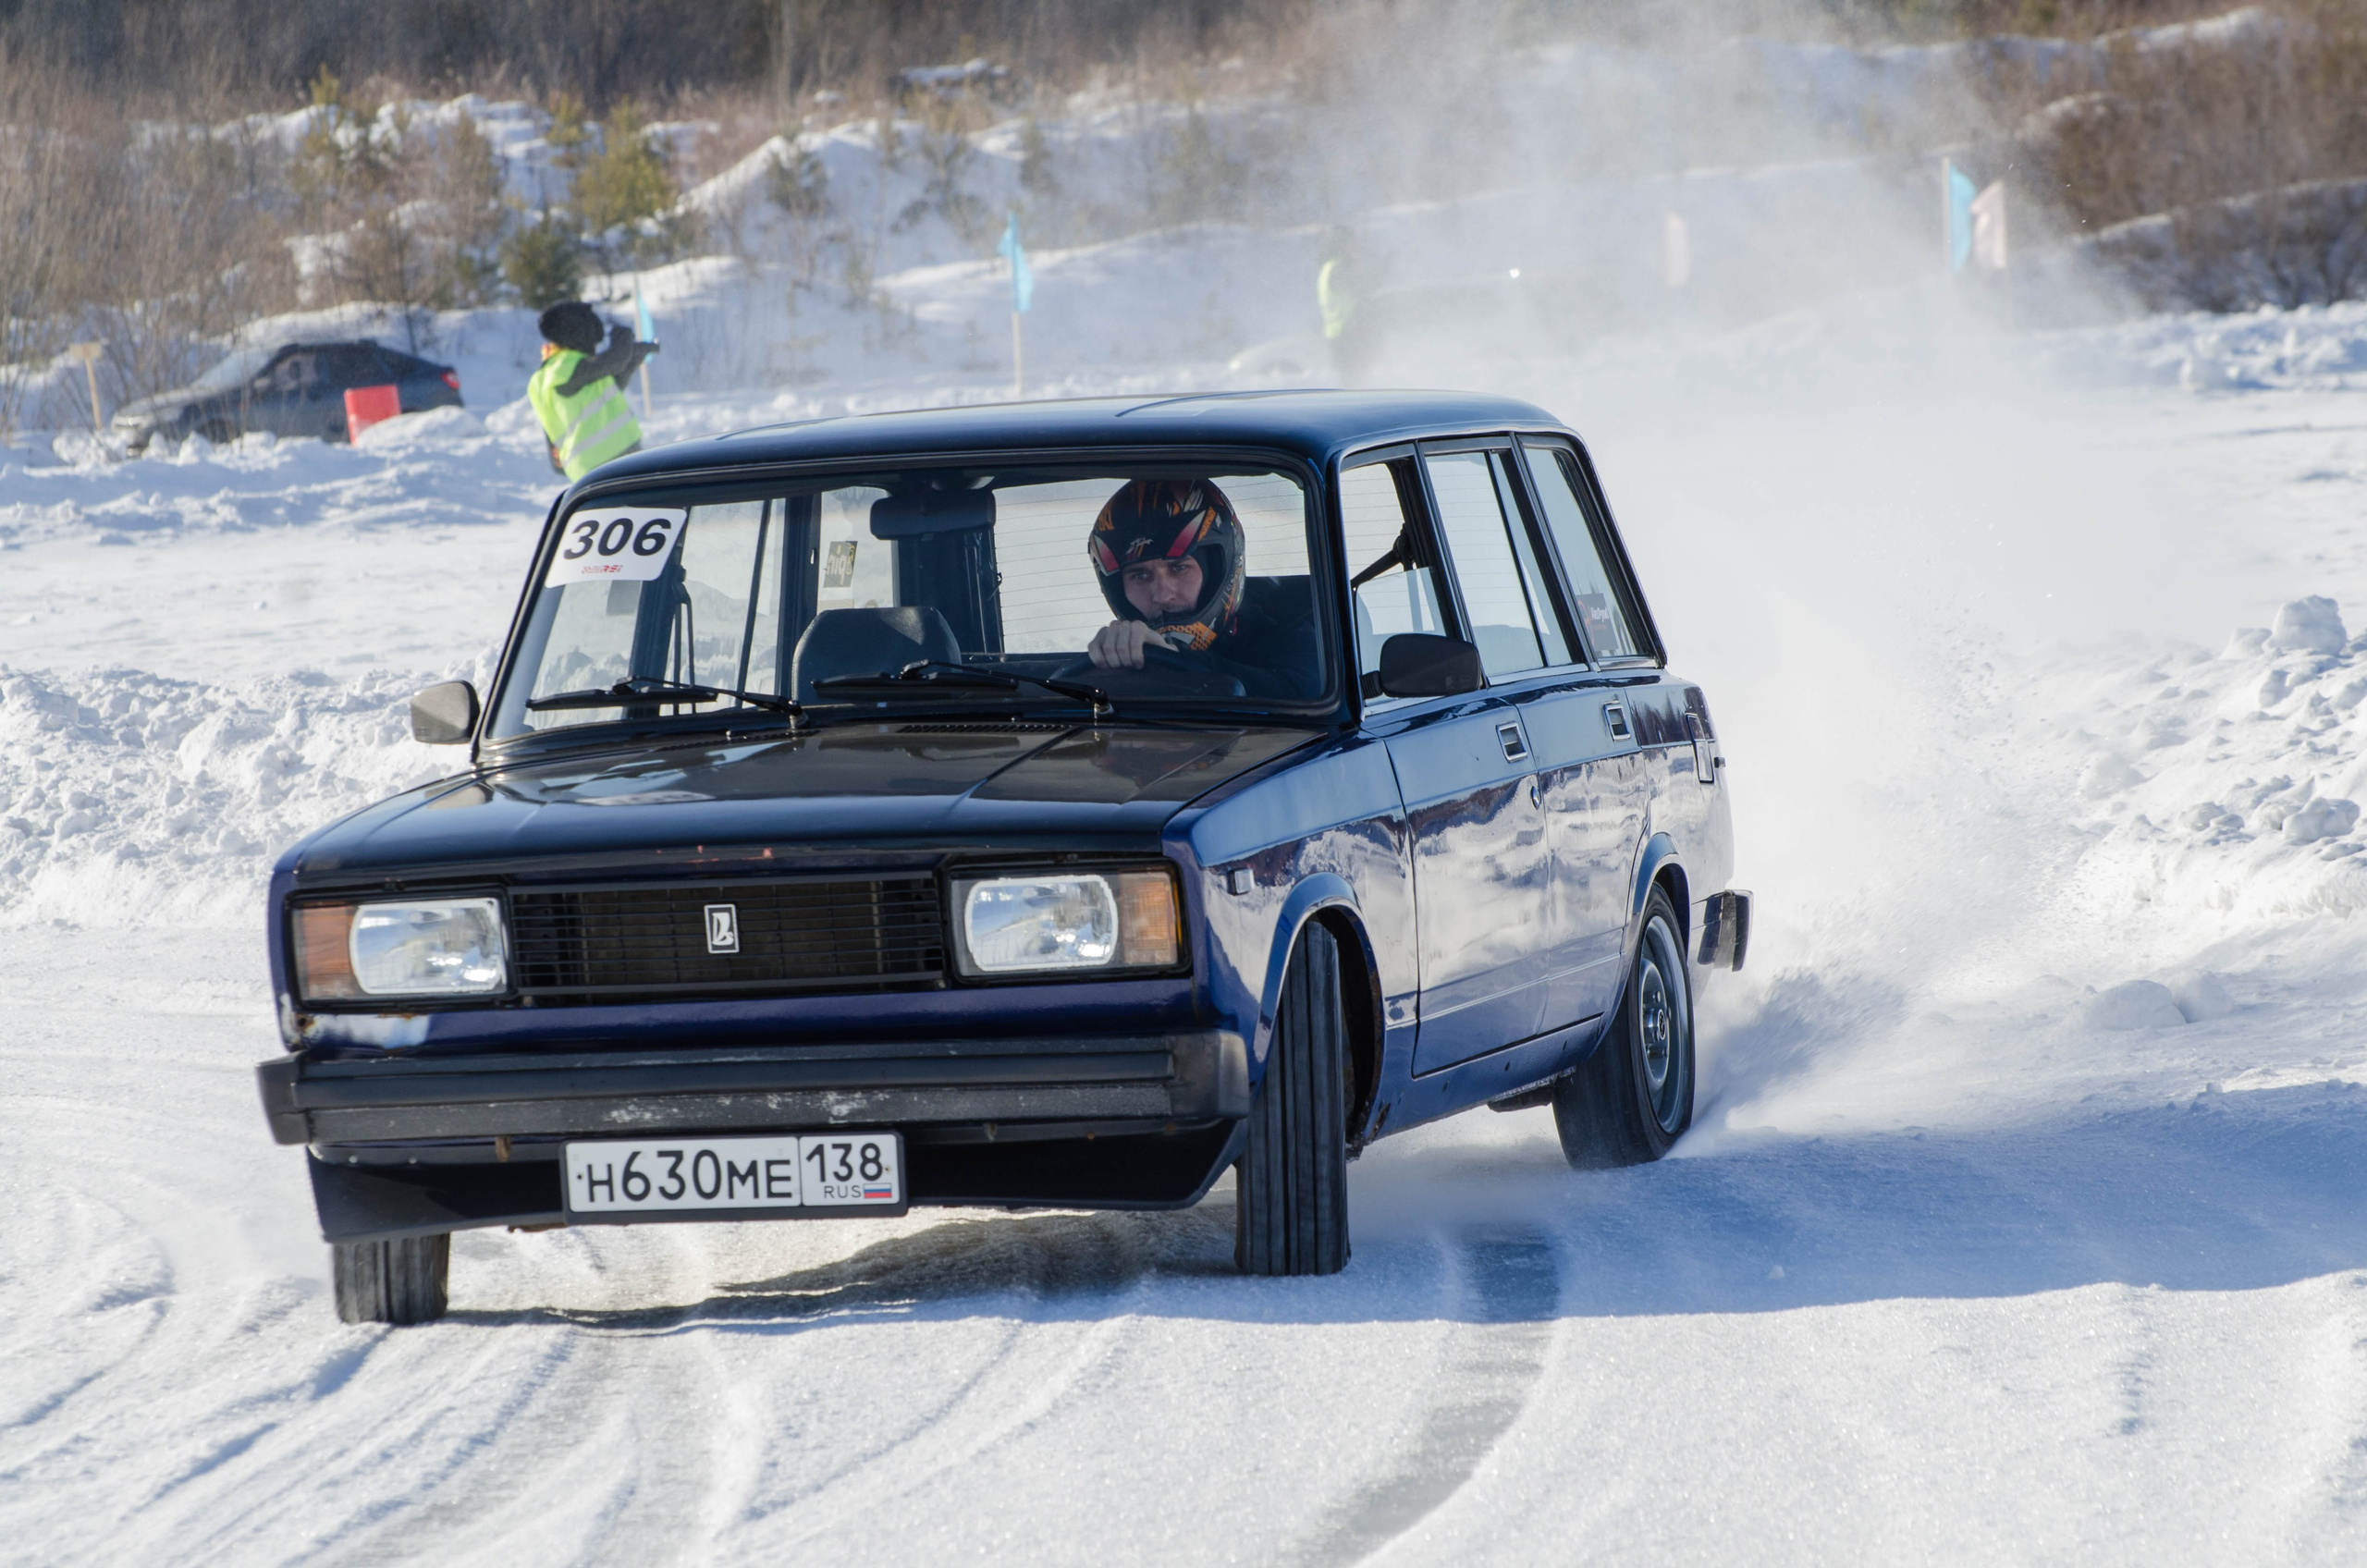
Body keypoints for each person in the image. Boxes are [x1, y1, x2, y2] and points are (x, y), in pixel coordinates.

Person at [1085, 478, 1318, 699]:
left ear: (1217, 572)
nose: (1163, 595)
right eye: (1140, 575)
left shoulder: (1291, 633)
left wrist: (1173, 658)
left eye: (1179, 568)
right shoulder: (1122, 659)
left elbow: (1303, 698)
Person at [527, 300, 657, 479]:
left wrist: (633, 358)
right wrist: (622, 336)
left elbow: (608, 388)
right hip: (613, 463)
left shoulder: (544, 378)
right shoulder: (563, 368)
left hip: (588, 473)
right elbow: (616, 359)